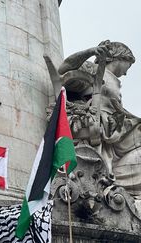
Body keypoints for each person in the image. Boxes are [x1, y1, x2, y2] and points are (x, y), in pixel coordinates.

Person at [57, 40, 141, 198]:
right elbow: (63, 69)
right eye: (127, 66)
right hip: (102, 124)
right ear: (118, 57)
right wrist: (90, 51)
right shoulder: (93, 69)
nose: (126, 73)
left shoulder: (115, 81)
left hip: (116, 125)